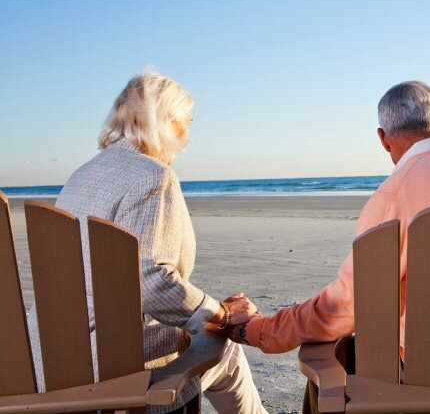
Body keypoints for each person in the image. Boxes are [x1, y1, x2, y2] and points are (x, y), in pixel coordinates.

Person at [221, 80, 430, 411]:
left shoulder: (392, 195)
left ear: (383, 140)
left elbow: (346, 308)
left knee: (329, 359)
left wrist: (259, 330)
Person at [35, 70, 266, 414]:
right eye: (187, 121)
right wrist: (222, 313)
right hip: (110, 366)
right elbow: (151, 280)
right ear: (167, 122)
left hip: (53, 358)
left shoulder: (81, 175)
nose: (188, 135)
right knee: (225, 350)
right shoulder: (154, 176)